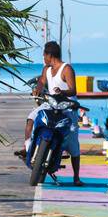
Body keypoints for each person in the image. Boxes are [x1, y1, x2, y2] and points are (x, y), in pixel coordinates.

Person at [18, 40, 84, 186]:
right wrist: (38, 89)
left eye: (44, 55)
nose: (43, 58)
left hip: (67, 106)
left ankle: (77, 177)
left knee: (73, 141)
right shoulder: (46, 69)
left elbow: (73, 90)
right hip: (51, 103)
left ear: (50, 54)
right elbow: (42, 81)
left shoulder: (66, 69)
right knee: (31, 119)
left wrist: (63, 92)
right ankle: (28, 148)